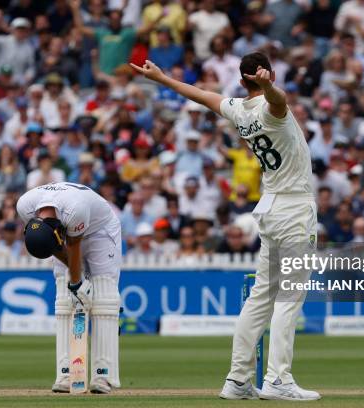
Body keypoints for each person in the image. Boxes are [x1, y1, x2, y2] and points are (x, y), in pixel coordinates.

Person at [131, 52, 320, 400]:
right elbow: (279, 101)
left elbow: (201, 95)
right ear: (265, 75)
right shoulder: (269, 108)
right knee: (288, 298)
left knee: (262, 296)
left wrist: (162, 79)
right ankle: (278, 380)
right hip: (294, 208)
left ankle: (237, 380)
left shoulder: (238, 109)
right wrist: (270, 87)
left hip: (270, 207)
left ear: (241, 79)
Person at [17, 181, 122, 394]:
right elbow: (53, 246)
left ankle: (104, 376)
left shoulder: (75, 210)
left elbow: (73, 246)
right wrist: (75, 286)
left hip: (101, 230)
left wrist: (78, 283)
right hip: (65, 231)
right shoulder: (25, 206)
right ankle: (65, 374)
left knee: (103, 298)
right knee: (64, 298)